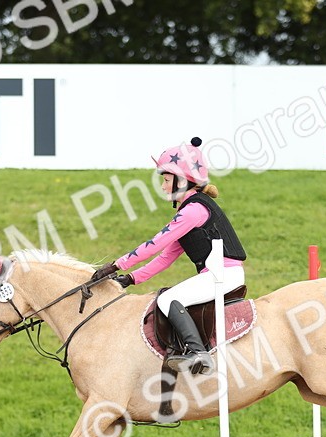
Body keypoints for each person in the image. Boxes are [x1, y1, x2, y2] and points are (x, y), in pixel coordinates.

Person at [101, 137, 247, 375]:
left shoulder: (193, 211)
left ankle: (198, 353)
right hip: (221, 274)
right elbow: (166, 257)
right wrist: (131, 278)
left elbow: (155, 244)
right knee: (170, 298)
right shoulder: (191, 210)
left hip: (223, 275)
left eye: (167, 180)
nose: (162, 186)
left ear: (183, 180)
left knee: (168, 300)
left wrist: (116, 265)